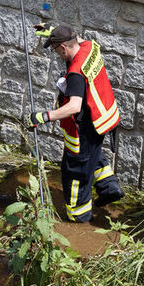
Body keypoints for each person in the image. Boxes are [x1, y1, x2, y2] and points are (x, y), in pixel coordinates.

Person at [25, 23, 123, 222]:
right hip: (103, 118)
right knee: (92, 154)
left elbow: (75, 106)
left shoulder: (76, 72)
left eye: (56, 50)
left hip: (85, 125)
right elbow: (74, 37)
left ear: (64, 47)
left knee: (76, 170)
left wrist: (44, 116)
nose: (58, 55)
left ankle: (79, 216)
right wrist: (53, 30)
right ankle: (109, 188)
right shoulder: (89, 47)